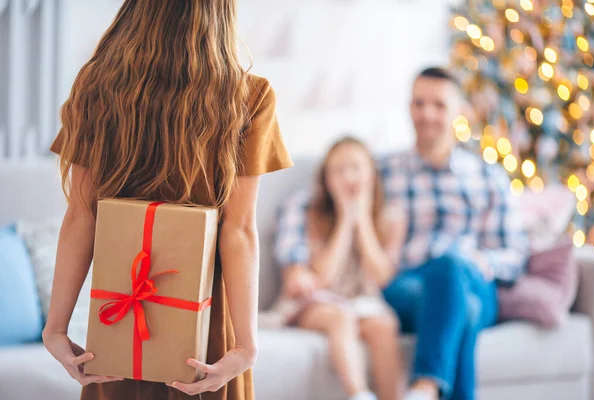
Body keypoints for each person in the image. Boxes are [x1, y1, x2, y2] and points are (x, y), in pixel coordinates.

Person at [42, 1, 293, 400]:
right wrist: (245, 346)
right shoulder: (249, 96)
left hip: (120, 319)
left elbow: (81, 216)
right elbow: (239, 230)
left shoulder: (96, 87)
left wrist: (55, 328)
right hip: (203, 333)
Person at [274, 67, 529, 400]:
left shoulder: (487, 177)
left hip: (472, 280)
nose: (427, 113)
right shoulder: (385, 168)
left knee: (454, 274)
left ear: (460, 112)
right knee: (459, 309)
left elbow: (515, 254)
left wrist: (481, 260)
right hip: (407, 286)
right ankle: (426, 389)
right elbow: (318, 193)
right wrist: (296, 261)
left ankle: (424, 386)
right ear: (409, 108)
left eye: (438, 105)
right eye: (418, 103)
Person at [265, 137, 406, 400]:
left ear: (372, 175)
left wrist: (361, 218)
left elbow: (382, 276)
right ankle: (359, 394)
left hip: (362, 303)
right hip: (315, 303)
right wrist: (345, 218)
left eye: (355, 168)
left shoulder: (391, 219)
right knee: (341, 317)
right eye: (338, 171)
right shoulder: (312, 216)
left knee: (384, 325)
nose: (348, 177)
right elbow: (323, 279)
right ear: (327, 181)